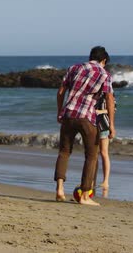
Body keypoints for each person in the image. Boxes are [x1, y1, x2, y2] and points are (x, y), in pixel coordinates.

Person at [54, 46, 115, 206]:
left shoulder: (74, 68)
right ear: (104, 60)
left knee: (64, 151)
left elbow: (61, 92)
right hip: (87, 117)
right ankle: (85, 195)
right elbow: (109, 98)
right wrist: (112, 124)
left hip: (69, 114)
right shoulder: (104, 74)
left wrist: (60, 112)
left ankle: (60, 189)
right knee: (92, 155)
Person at [94, 56, 116, 190]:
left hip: (103, 124)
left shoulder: (109, 93)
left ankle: (106, 180)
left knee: (103, 152)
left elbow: (113, 108)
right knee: (92, 153)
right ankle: (92, 178)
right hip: (92, 123)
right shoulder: (94, 94)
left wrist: (100, 112)